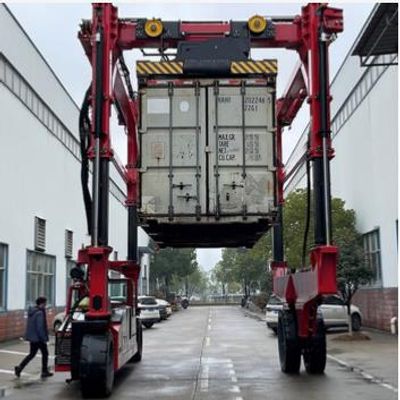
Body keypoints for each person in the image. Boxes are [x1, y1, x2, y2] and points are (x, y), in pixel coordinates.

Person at [14, 296, 53, 378]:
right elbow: (40, 327)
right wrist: (43, 338)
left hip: (33, 338)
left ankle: (19, 368)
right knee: (45, 353)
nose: (45, 305)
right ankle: (44, 371)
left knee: (32, 354)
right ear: (42, 303)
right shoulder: (39, 313)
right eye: (45, 303)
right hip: (38, 338)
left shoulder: (33, 311)